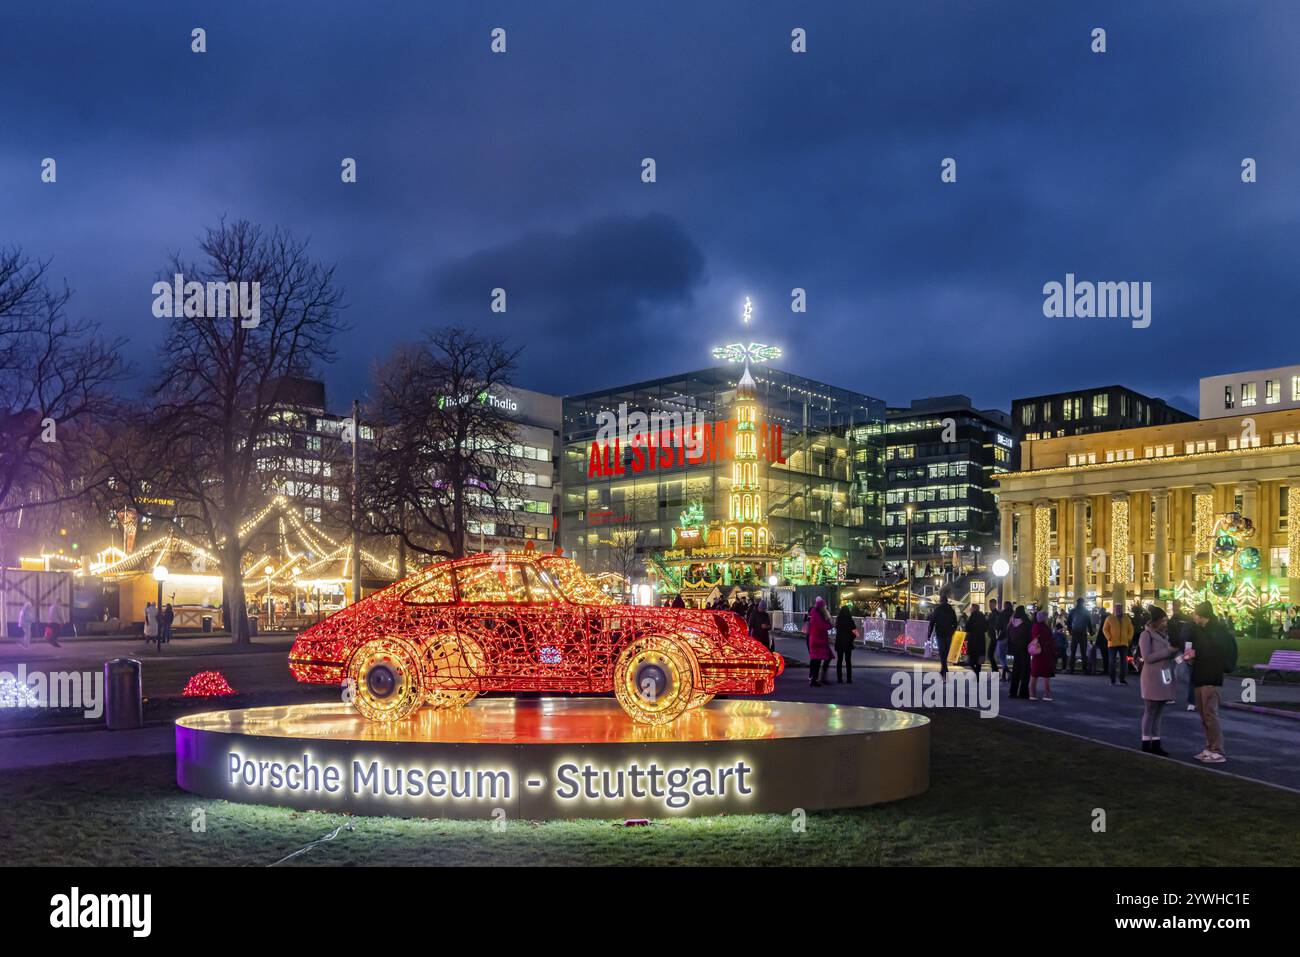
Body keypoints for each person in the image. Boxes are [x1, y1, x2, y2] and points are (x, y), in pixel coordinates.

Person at [1190, 602, 1233, 763]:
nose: (1194, 617)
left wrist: (1197, 652)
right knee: (1203, 714)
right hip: (1200, 676)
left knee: (1210, 714)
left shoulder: (1217, 631)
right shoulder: (1202, 630)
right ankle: (1209, 747)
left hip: (1210, 677)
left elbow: (1215, 652)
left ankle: (1217, 750)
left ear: (1203, 615)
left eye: (1196, 614)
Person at [1138, 606, 1179, 756]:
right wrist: (1168, 651)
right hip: (1151, 677)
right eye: (1163, 620)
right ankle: (1145, 741)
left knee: (1159, 712)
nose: (1165, 623)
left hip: (1164, 676)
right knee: (1150, 710)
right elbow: (1147, 657)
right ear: (1156, 621)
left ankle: (1156, 742)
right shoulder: (1146, 635)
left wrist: (1178, 655)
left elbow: (1169, 655)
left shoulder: (1165, 636)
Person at [1169, 600, 1198, 711]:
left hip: (1181, 650)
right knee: (1175, 671)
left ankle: (1191, 699)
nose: (1174, 607)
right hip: (1178, 650)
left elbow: (1187, 637)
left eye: (1176, 605)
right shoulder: (1175, 619)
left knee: (1179, 672)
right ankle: (1173, 696)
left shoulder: (1183, 620)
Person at [926, 587, 959, 676]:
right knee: (946, 651)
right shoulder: (951, 610)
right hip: (948, 633)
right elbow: (955, 622)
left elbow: (932, 622)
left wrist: (929, 634)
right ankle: (944, 668)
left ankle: (944, 668)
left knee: (942, 651)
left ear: (941, 601)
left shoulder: (938, 609)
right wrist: (952, 631)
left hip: (940, 633)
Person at [1103, 602, 1134, 685]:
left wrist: (1129, 638)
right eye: (1117, 608)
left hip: (1124, 643)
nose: (1118, 610)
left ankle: (1122, 679)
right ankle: (1112, 680)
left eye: (1119, 608)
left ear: (1122, 609)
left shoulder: (1126, 618)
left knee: (1124, 662)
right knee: (1112, 662)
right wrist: (1109, 637)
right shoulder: (1109, 618)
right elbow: (1105, 629)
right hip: (1112, 643)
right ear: (1114, 609)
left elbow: (1131, 629)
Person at [1028, 610, 1056, 700]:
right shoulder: (1046, 628)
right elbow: (1050, 641)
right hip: (1045, 653)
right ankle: (1046, 694)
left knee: (1034, 674)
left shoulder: (1034, 627)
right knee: (1046, 674)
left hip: (1036, 652)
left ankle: (1032, 693)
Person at [1006, 605, 1032, 699]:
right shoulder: (1026, 621)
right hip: (1024, 649)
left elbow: (1008, 634)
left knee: (1015, 670)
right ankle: (1023, 692)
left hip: (1014, 649)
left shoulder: (1011, 622)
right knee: (1025, 671)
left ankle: (1012, 692)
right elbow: (1030, 634)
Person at [806, 597, 833, 686]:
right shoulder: (817, 615)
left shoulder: (816, 614)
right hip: (818, 641)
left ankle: (815, 679)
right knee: (817, 661)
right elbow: (822, 626)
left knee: (816, 660)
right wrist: (829, 624)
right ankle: (815, 679)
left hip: (817, 640)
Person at [1067, 598, 1094, 674]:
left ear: (1077, 602)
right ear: (1083, 603)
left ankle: (1071, 669)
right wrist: (1091, 632)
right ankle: (1084, 669)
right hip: (1082, 633)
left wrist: (1070, 631)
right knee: (1083, 652)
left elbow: (1068, 622)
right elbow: (1089, 623)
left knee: (1073, 652)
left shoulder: (1072, 611)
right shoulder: (1086, 612)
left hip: (1075, 633)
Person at [833, 602, 857, 683]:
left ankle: (839, 679)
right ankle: (849, 679)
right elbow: (855, 632)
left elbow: (836, 630)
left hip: (839, 642)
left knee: (839, 661)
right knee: (848, 661)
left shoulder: (838, 620)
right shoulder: (851, 621)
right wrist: (851, 638)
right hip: (848, 643)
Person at [964, 602, 989, 675]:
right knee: (979, 658)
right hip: (981, 638)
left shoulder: (972, 616)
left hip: (973, 639)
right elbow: (985, 628)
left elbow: (967, 627)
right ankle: (978, 673)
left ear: (974, 608)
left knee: (971, 658)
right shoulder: (982, 616)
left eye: (971, 608)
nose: (970, 609)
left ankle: (976, 672)